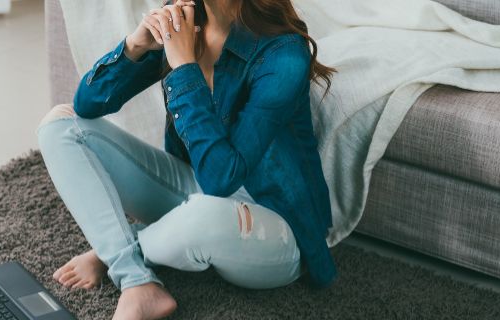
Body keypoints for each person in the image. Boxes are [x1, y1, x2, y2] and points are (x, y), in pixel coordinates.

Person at [36, 0, 337, 319]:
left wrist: (182, 66)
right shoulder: (186, 17)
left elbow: (221, 178)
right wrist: (135, 45)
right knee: (60, 126)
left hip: (277, 226)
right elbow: (87, 104)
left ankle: (116, 251)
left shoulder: (284, 55)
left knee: (201, 216)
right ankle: (135, 279)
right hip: (199, 190)